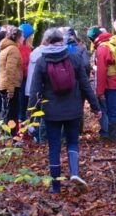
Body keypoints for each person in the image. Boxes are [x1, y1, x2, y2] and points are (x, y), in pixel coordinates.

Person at [28, 27, 101, 193]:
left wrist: (30, 117)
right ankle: (74, 173)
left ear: (46, 42)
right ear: (62, 40)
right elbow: (85, 85)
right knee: (72, 142)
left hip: (51, 112)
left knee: (54, 146)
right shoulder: (74, 57)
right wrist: (95, 107)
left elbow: (34, 92)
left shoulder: (42, 61)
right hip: (73, 109)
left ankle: (55, 187)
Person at [0, 26, 24, 137]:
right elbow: (10, 70)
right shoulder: (13, 49)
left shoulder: (6, 48)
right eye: (22, 37)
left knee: (7, 111)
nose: (23, 39)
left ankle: (6, 136)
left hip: (4, 84)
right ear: (17, 38)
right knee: (11, 113)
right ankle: (11, 137)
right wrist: (11, 89)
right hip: (10, 85)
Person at [86, 26, 109, 137]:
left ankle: (106, 133)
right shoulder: (112, 43)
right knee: (113, 108)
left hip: (105, 84)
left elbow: (102, 71)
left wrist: (99, 91)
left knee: (103, 109)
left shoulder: (101, 48)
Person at [17, 23, 34, 128]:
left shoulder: (27, 48)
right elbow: (22, 66)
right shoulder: (22, 48)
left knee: (24, 105)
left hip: (25, 80)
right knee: (22, 106)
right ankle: (21, 130)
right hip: (22, 81)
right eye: (31, 35)